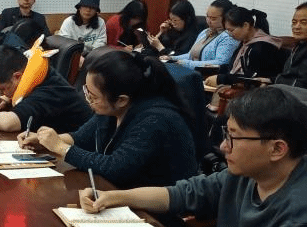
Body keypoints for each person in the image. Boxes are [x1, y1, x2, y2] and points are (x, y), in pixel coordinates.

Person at [79, 86, 307, 227]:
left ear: (277, 149)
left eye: (234, 138)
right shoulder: (247, 174)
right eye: (226, 134)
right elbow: (179, 194)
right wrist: (112, 197)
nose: (223, 146)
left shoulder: (299, 217)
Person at [20, 51, 197, 189]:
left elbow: (115, 168)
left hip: (156, 212)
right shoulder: (112, 109)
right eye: (86, 91)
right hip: (117, 194)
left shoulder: (155, 119)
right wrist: (44, 141)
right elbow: (81, 138)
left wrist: (60, 147)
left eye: (93, 96)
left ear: (121, 100)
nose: (88, 100)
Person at [0, 45, 90, 132]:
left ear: (17, 76)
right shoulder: (34, 75)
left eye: (2, 89)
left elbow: (9, 123)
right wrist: (9, 99)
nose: (1, 94)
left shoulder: (48, 89)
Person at [206, 6, 286, 87]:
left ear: (245, 25)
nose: (230, 34)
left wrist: (221, 79)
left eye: (232, 30)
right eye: (228, 31)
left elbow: (253, 79)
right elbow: (232, 68)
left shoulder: (261, 47)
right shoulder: (244, 43)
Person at [168, 0, 239, 70]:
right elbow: (190, 55)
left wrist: (188, 63)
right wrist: (172, 58)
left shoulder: (228, 37)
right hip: (192, 70)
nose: (208, 21)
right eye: (207, 16)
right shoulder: (205, 32)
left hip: (206, 74)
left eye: (213, 19)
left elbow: (220, 63)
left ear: (226, 19)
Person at [276, 2, 307, 88]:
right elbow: (290, 77)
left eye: (304, 22)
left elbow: (302, 85)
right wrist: (270, 80)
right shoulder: (300, 45)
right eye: (294, 22)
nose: (296, 27)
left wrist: (274, 83)